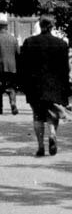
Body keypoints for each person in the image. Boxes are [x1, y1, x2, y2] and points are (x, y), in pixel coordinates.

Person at [20, 15, 71, 157]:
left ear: (40, 25)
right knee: (52, 114)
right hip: (55, 85)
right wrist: (66, 87)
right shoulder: (61, 44)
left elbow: (23, 66)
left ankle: (41, 147)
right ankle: (53, 133)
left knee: (37, 115)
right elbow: (65, 68)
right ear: (52, 26)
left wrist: (24, 84)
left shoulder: (29, 42)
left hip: (35, 85)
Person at [0, 20, 20, 115]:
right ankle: (13, 103)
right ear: (7, 27)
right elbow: (18, 54)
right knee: (11, 87)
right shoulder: (14, 39)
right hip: (12, 68)